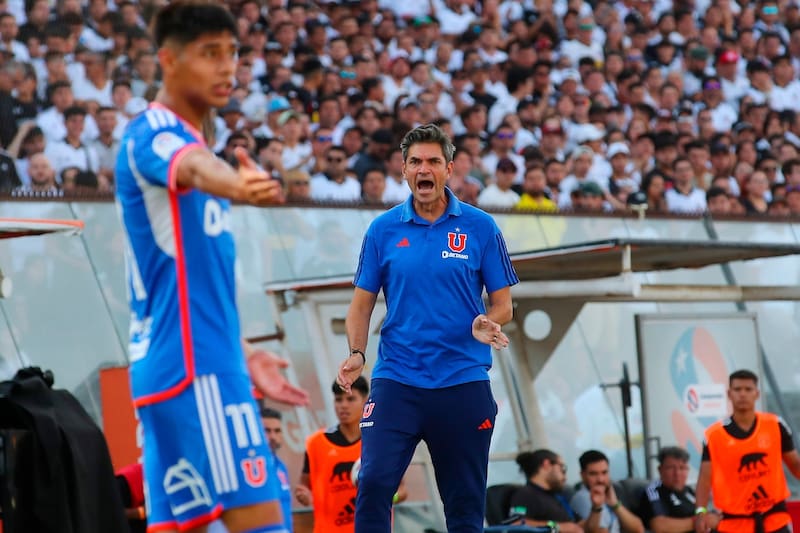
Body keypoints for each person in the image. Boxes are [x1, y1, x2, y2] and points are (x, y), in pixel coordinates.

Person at [114, 2, 309, 532]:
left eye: (233, 53)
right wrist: (236, 185)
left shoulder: (189, 141)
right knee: (267, 522)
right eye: (210, 54)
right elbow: (197, 168)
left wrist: (242, 351)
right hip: (194, 371)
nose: (227, 68)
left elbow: (186, 285)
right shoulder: (155, 133)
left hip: (192, 362)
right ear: (169, 60)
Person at [338, 123, 519, 532]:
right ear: (403, 170)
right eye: (416, 161)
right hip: (397, 380)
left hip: (462, 382)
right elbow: (361, 306)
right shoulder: (382, 229)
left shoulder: (481, 226)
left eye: (433, 161)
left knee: (464, 506)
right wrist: (356, 353)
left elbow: (504, 303)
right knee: (373, 482)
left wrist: (488, 321)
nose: (425, 169)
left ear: (449, 168)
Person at [694, 369, 800, 533]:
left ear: (757, 394)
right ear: (729, 394)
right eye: (737, 389)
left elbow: (795, 464)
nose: (742, 394)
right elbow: (704, 478)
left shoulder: (775, 425)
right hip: (733, 524)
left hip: (775, 520)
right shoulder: (714, 435)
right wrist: (700, 512)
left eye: (748, 389)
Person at [640, 446, 718, 533]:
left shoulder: (688, 491)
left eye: (682, 468)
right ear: (660, 470)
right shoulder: (655, 491)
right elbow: (659, 525)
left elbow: (703, 512)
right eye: (670, 468)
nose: (677, 473)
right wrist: (700, 521)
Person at [570, 450, 645, 533]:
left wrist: (614, 503)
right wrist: (597, 506)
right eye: (593, 474)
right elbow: (599, 531)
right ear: (582, 475)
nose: (600, 479)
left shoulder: (610, 494)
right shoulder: (582, 497)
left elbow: (638, 528)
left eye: (604, 472)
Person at [509, 449, 583, 532]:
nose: (565, 476)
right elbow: (516, 523)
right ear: (546, 464)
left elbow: (577, 525)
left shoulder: (556, 496)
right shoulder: (525, 494)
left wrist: (596, 508)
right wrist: (556, 526)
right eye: (562, 468)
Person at [261, 407, 293, 533]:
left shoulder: (281, 467)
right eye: (267, 431)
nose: (273, 436)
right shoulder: (249, 468)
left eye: (277, 431)